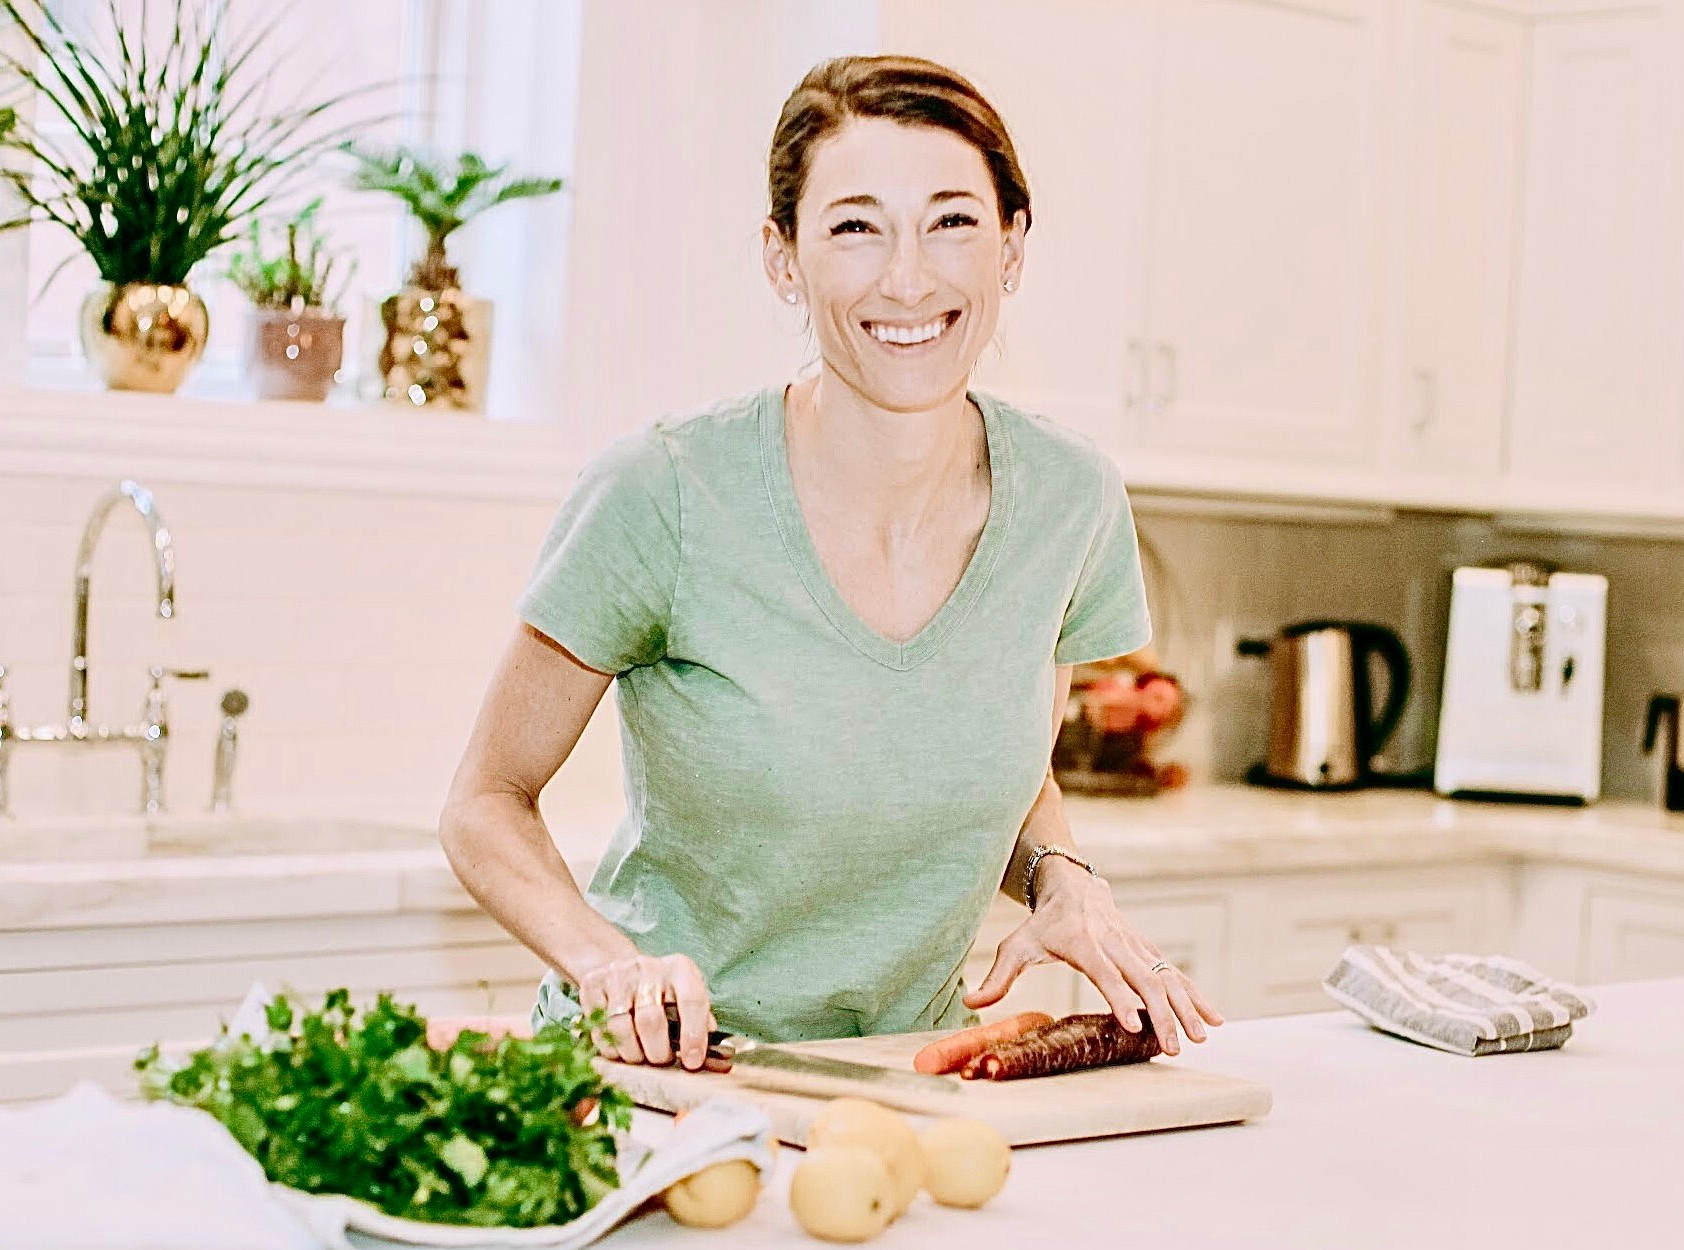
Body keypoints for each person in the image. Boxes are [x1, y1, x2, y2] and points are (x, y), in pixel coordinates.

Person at [438, 55, 1222, 1071]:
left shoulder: (1070, 502)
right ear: (783, 257)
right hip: (661, 1075)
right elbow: (484, 800)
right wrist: (608, 963)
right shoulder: (666, 491)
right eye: (856, 226)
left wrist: (1061, 877)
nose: (909, 277)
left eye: (952, 221)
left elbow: (1002, 757)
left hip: (910, 1074)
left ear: (1012, 248)